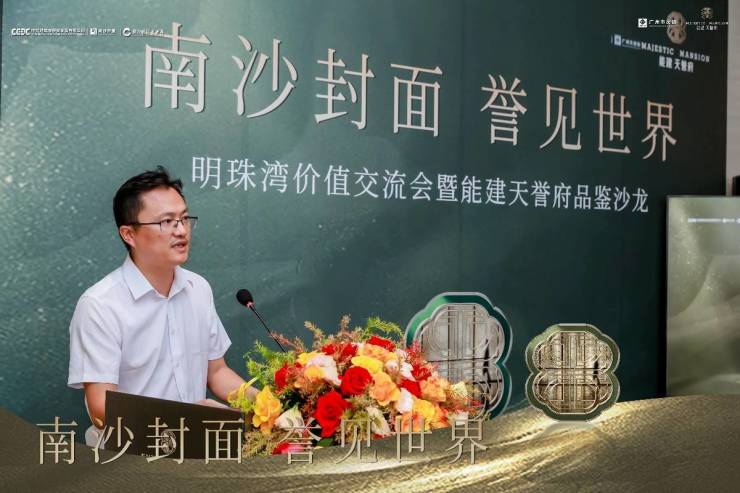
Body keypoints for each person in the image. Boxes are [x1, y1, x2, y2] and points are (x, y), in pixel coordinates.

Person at [67, 166, 256, 442]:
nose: (181, 230)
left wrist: (267, 404)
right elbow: (101, 408)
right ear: (129, 234)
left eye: (184, 219)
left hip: (195, 451)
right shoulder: (99, 305)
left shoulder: (198, 288)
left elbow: (216, 372)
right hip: (130, 455)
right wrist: (187, 421)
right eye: (166, 222)